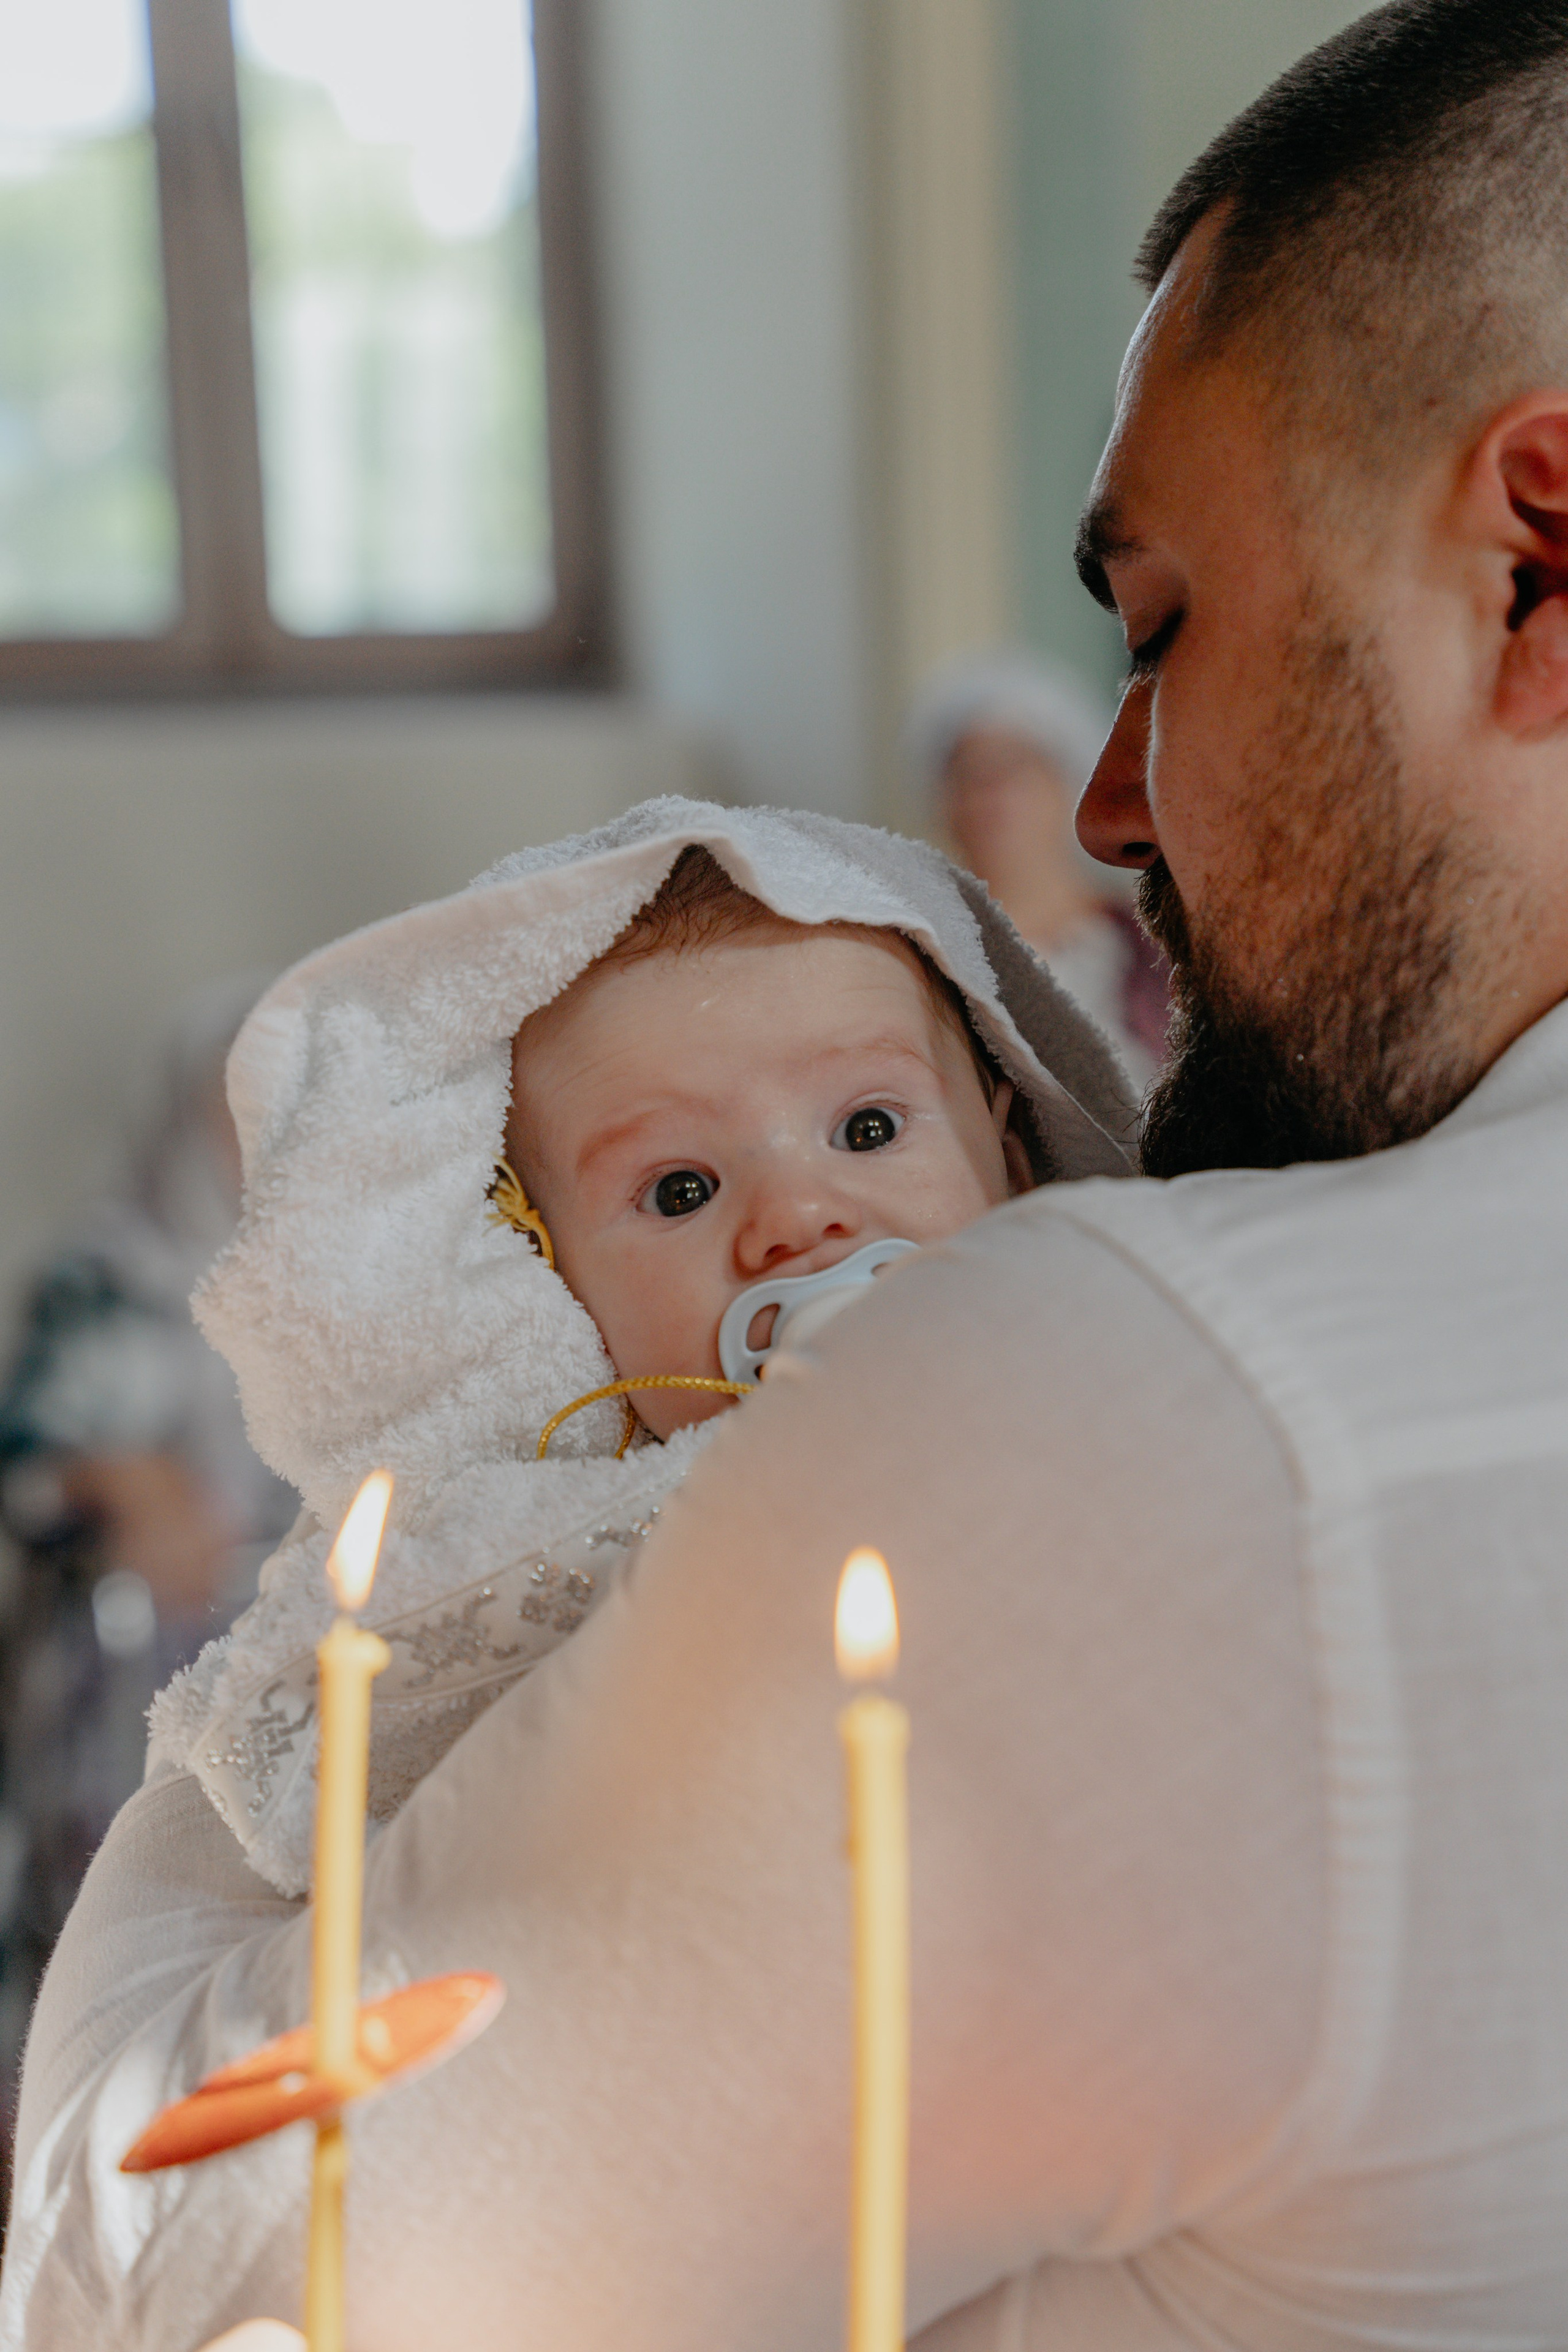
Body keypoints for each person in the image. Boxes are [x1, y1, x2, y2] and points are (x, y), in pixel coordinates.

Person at [8, 4, 1568, 2343]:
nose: (1101, 801)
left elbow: (154, 2251)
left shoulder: (1157, 1403)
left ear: (1536, 558)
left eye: (1158, 631)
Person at [133, 809, 1129, 1910]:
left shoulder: (1126, 1388)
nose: (796, 1216)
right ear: (554, 1292)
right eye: (681, 1191)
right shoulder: (534, 1550)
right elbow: (332, 1754)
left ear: (1016, 1155)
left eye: (868, 1129)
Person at [0, 978, 296, 2179]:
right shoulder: (112, 1274)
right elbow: (40, 1453)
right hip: (124, 1679)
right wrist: (125, 1482)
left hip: (275, 1667)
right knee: (101, 1916)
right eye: (232, 1107)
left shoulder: (331, 1281)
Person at [909, 653, 1171, 1088]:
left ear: (1070, 785)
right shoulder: (920, 952)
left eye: (1016, 764)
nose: (992, 789)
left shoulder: (1151, 945)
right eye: (968, 770)